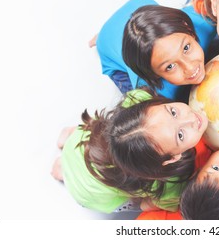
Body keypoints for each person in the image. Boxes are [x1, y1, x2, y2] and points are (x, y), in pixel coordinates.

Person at [51, 88, 208, 214]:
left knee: (99, 132)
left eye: (173, 112)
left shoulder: (139, 98)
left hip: (80, 144)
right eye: (180, 135)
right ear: (172, 158)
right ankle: (64, 171)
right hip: (86, 193)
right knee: (136, 202)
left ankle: (68, 147)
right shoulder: (171, 185)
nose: (191, 118)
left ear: (150, 105)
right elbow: (146, 206)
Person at [89, 0, 216, 101]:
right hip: (108, 45)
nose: (189, 68)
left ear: (189, 30)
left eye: (186, 48)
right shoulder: (152, 94)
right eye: (170, 67)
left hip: (139, 3)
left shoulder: (204, 22)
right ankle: (102, 38)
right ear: (154, 74)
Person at [136, 144, 219, 220]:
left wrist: (154, 201)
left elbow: (145, 206)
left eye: (216, 168)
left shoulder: (194, 151)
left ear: (197, 172)